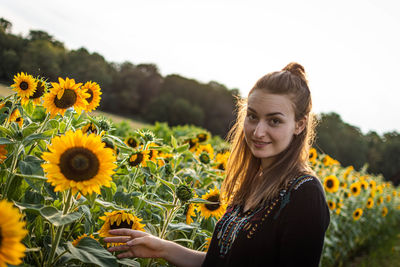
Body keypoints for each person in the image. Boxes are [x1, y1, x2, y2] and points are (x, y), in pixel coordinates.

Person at [104, 62, 330, 267]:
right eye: (252, 117)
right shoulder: (254, 181)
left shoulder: (304, 194)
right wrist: (161, 247)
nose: (258, 132)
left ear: (299, 125)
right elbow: (220, 262)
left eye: (274, 121)